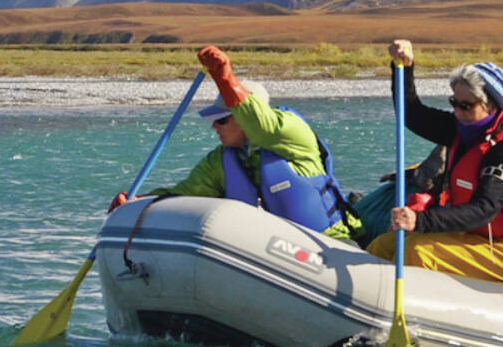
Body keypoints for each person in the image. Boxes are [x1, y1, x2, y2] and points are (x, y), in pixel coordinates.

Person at [370, 39, 503, 285]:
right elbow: (413, 116)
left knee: (419, 251)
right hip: (482, 237)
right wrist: (404, 67)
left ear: (491, 105)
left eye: (466, 106)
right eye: (454, 103)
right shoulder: (466, 127)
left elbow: (483, 210)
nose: (457, 112)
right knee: (386, 243)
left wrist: (420, 221)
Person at [111, 46, 361, 241]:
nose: (214, 127)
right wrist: (139, 202)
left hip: (331, 241)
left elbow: (261, 126)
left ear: (244, 116)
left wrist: (225, 79)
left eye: (221, 119)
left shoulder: (291, 133)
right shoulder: (220, 161)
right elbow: (184, 194)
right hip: (270, 256)